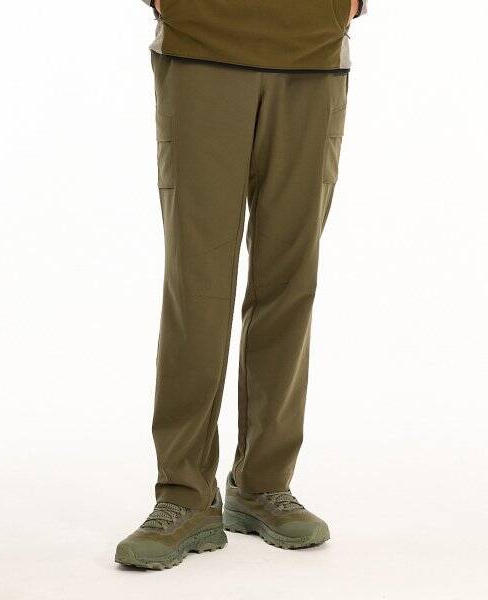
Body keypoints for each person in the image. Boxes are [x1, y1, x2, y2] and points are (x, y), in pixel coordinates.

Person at [116, 0, 367, 570]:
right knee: (197, 285)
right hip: (201, 38)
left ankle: (263, 483)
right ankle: (184, 494)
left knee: (290, 276)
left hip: (313, 46)